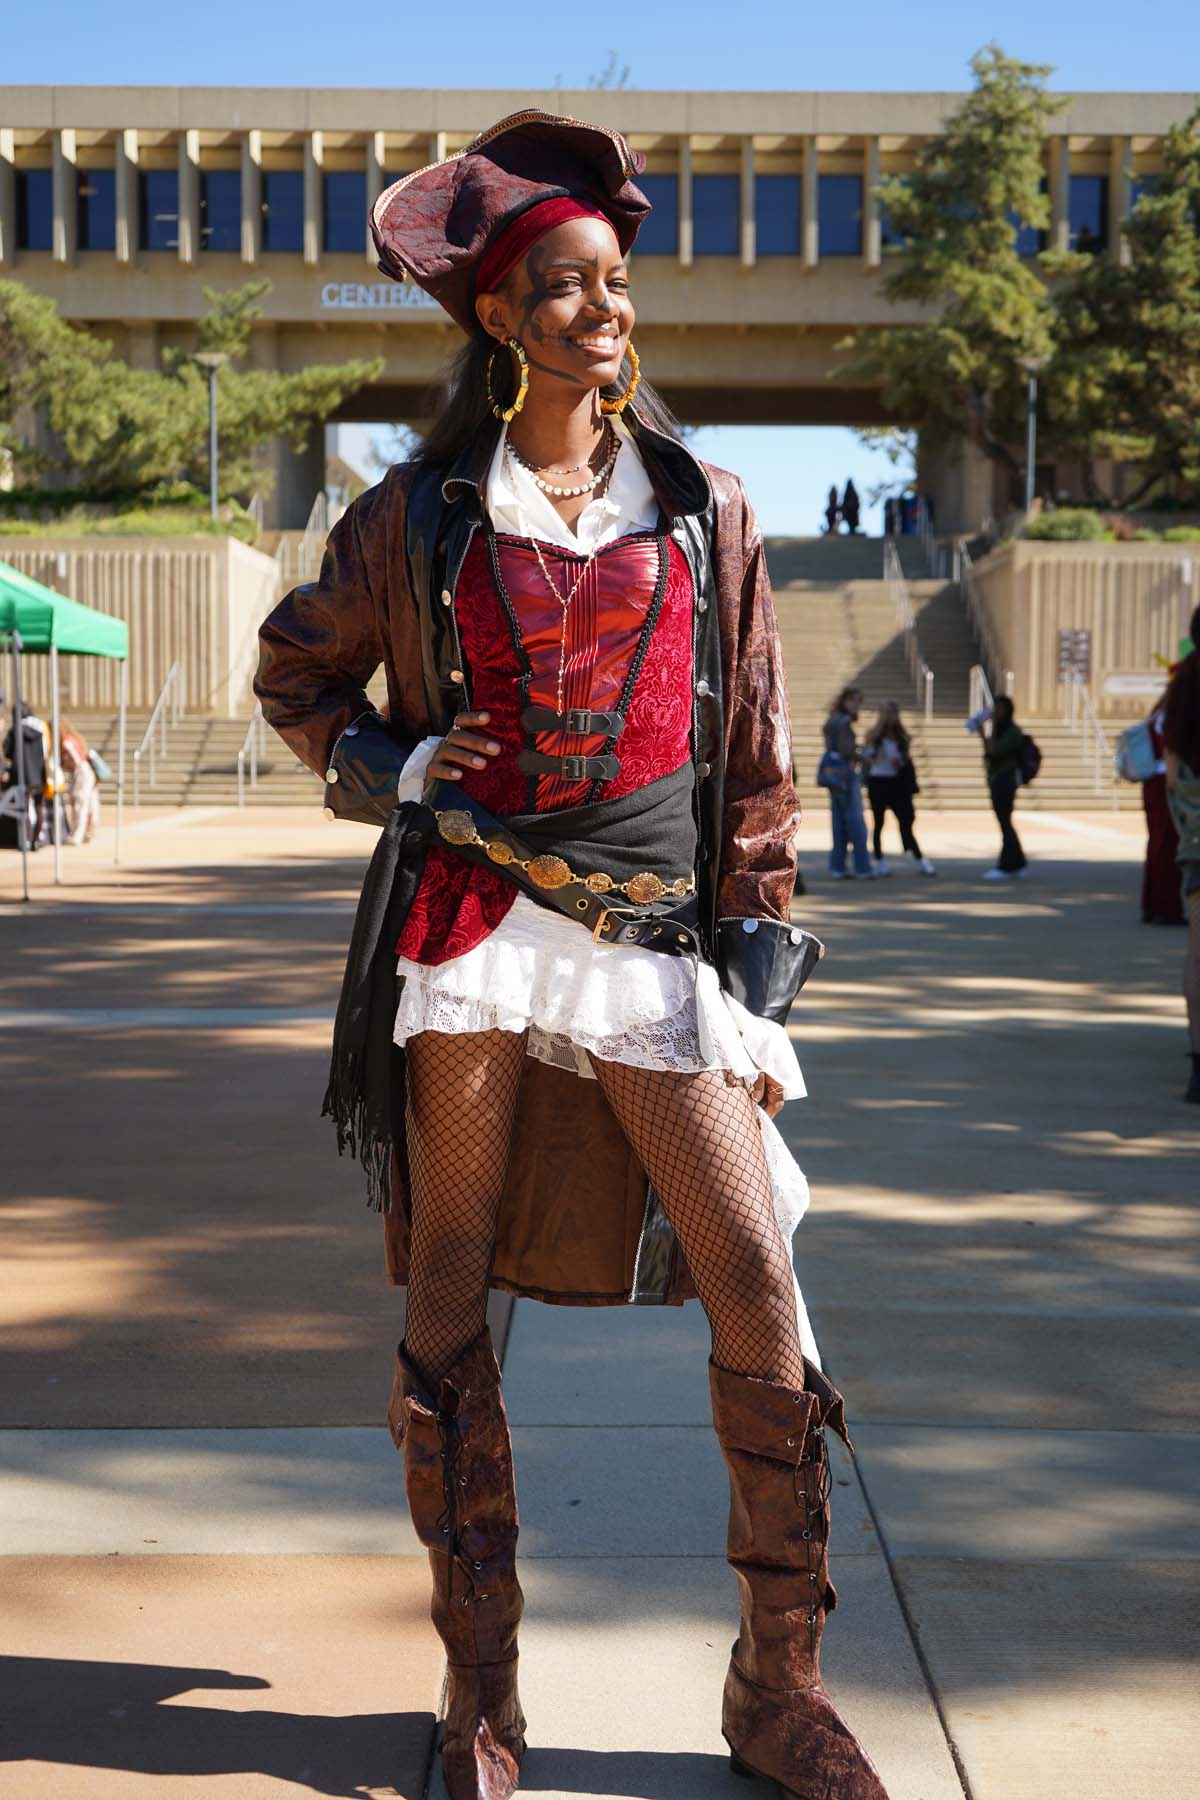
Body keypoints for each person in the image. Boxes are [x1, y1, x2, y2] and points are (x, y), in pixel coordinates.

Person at [255, 112, 888, 1800]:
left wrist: (756, 958)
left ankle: (781, 1689)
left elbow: (754, 760)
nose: (607, 307)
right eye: (568, 284)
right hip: (472, 935)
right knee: (447, 1281)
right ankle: (482, 1693)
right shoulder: (417, 517)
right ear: (502, 320)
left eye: (616, 280)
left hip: (654, 948)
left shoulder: (706, 510)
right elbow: (296, 680)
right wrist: (391, 773)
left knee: (754, 1276)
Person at [1163, 605, 1200, 1103]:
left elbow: (1170, 773)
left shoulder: (1185, 685)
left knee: (1197, 953)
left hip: (1197, 838)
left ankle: (1198, 1065)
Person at [861, 701, 936, 877]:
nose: (890, 717)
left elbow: (906, 761)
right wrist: (872, 752)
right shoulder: (874, 735)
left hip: (897, 783)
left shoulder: (902, 738)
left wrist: (901, 761)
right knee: (879, 822)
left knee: (906, 822)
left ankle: (920, 859)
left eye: (893, 713)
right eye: (887, 713)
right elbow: (866, 756)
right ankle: (879, 861)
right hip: (878, 781)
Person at [1140, 696, 1185, 925]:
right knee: (1167, 845)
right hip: (1165, 782)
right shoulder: (1170, 716)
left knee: (1158, 844)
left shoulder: (1157, 715)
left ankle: (1153, 904)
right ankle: (1166, 907)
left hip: (1154, 782)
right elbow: (1171, 751)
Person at [822, 686, 873, 880]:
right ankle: (863, 867)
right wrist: (863, 756)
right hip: (846, 775)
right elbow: (846, 751)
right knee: (856, 823)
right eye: (853, 700)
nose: (856, 705)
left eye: (859, 701)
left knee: (839, 822)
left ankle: (838, 866)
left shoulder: (832, 721)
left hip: (833, 776)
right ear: (844, 701)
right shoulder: (843, 722)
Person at [981, 695, 1028, 880]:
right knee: (1005, 822)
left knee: (1005, 823)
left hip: (1005, 781)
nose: (997, 714)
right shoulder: (1001, 730)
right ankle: (1018, 861)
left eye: (1000, 710)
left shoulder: (1012, 732)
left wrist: (988, 730)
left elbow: (994, 750)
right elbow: (988, 752)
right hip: (997, 779)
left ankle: (1006, 864)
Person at [2, 702, 48, 851]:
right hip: (39, 774)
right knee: (39, 807)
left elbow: (8, 752)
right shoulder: (40, 729)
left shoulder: (15, 730)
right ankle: (36, 840)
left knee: (24, 809)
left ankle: (26, 840)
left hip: (22, 775)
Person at [60, 719, 100, 845]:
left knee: (79, 804)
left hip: (81, 773)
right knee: (89, 804)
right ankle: (89, 831)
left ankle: (77, 835)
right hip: (89, 771)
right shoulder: (76, 738)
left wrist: (65, 765)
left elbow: (75, 759)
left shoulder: (66, 740)